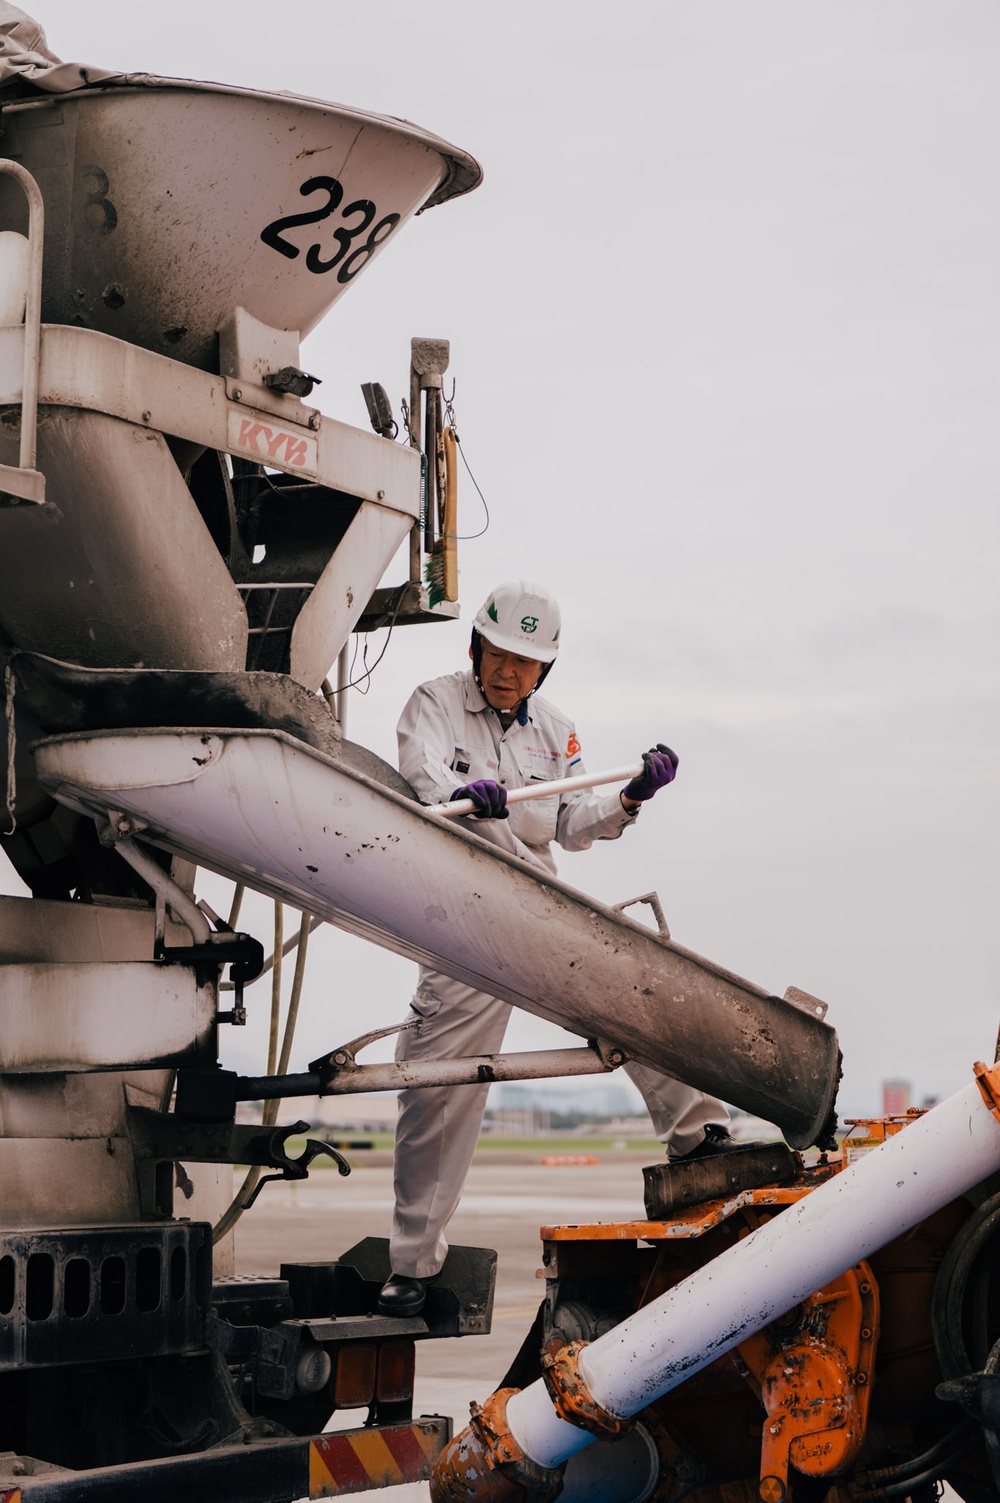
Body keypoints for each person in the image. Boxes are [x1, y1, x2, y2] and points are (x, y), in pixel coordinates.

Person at [379, 579, 743, 1317]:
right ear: (476, 648)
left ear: (546, 668)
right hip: (462, 913)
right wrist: (461, 795)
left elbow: (576, 819)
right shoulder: (432, 703)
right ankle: (411, 1265)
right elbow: (424, 782)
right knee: (437, 1092)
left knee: (633, 983)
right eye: (500, 653)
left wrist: (632, 795)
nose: (510, 670)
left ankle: (700, 1137)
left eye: (527, 660)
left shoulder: (557, 731)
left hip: (540, 907)